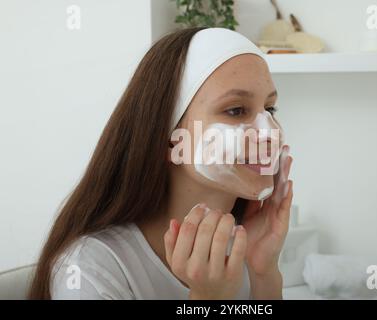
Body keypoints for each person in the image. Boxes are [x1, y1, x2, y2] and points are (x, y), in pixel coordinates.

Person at [28, 27, 293, 300]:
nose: (271, 132)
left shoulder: (246, 247)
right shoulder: (89, 270)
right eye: (236, 110)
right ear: (169, 140)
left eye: (270, 109)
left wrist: (264, 273)